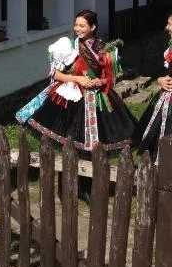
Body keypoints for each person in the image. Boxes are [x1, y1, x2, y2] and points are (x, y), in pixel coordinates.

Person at [16, 9, 135, 154]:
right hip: (72, 97)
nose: (77, 29)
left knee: (98, 141)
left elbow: (110, 77)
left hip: (98, 97)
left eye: (82, 26)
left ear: (93, 27)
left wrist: (101, 81)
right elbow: (55, 74)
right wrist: (77, 79)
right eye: (76, 25)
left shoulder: (105, 48)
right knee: (72, 137)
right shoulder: (69, 47)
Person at [133, 12, 172, 163]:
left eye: (169, 24)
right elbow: (165, 70)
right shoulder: (170, 46)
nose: (166, 27)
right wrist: (161, 79)